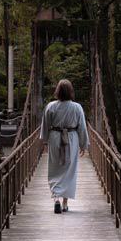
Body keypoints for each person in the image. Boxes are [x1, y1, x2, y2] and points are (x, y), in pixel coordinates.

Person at [39, 79, 89, 213]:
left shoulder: (51, 106)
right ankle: (65, 204)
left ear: (58, 91)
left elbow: (45, 125)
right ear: (71, 91)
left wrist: (44, 142)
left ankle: (56, 199)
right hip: (71, 139)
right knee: (69, 169)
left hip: (55, 138)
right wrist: (84, 145)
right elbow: (82, 128)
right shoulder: (77, 107)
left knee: (54, 167)